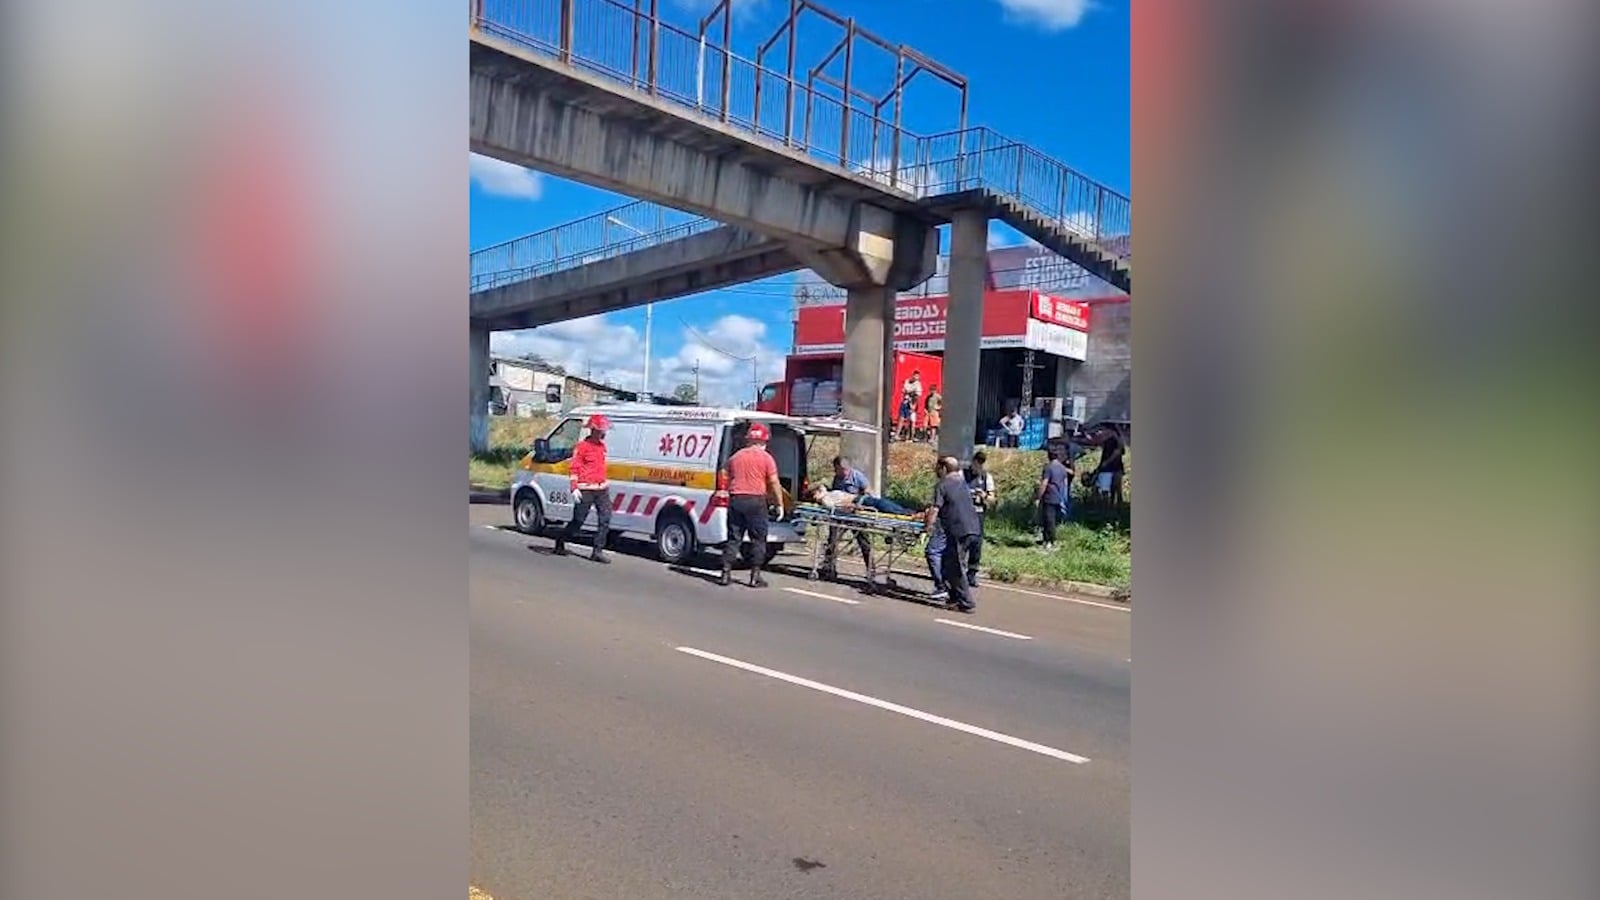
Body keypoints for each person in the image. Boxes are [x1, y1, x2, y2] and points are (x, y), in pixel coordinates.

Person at [720, 422, 783, 588]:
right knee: (758, 539)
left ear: (748, 440)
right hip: (756, 501)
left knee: (734, 538)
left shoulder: (736, 456)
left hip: (736, 499)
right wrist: (779, 504)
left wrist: (729, 487)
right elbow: (774, 482)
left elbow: (724, 473)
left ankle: (725, 573)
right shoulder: (767, 458)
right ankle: (755, 576)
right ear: (763, 442)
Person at [553, 413, 613, 563]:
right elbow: (574, 468)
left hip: (601, 488)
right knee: (578, 520)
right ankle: (561, 540)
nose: (603, 433)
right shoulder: (582, 447)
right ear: (593, 430)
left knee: (605, 518)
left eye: (603, 430)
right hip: (585, 488)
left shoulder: (602, 447)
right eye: (600, 430)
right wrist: (574, 488)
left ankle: (597, 550)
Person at [924, 456, 981, 613]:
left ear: (943, 468)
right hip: (973, 528)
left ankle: (966, 602)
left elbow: (935, 508)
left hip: (958, 531)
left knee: (955, 567)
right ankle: (954, 597)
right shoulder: (962, 483)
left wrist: (928, 527)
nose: (936, 471)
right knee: (949, 563)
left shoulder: (942, 485)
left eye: (937, 467)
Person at [962, 450, 996, 587]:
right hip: (964, 512)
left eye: (981, 463)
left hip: (978, 513)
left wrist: (984, 496)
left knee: (976, 543)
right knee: (962, 542)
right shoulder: (963, 474)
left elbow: (993, 499)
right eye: (977, 462)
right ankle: (958, 571)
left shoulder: (986, 478)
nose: (978, 466)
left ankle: (972, 572)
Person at [1035, 446, 1074, 550]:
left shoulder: (1048, 467)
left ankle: (1049, 541)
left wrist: (1038, 496)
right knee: (1053, 519)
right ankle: (1048, 540)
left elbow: (1044, 483)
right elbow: (1065, 483)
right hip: (1059, 496)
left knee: (1048, 519)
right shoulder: (1062, 468)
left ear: (1049, 456)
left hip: (1049, 495)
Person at [1091, 424, 1126, 505]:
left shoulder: (1115, 440)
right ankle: (1110, 505)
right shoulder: (1109, 440)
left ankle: (1112, 505)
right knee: (1112, 488)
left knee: (1114, 488)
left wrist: (1107, 462)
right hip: (1110, 466)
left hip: (1111, 466)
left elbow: (1118, 452)